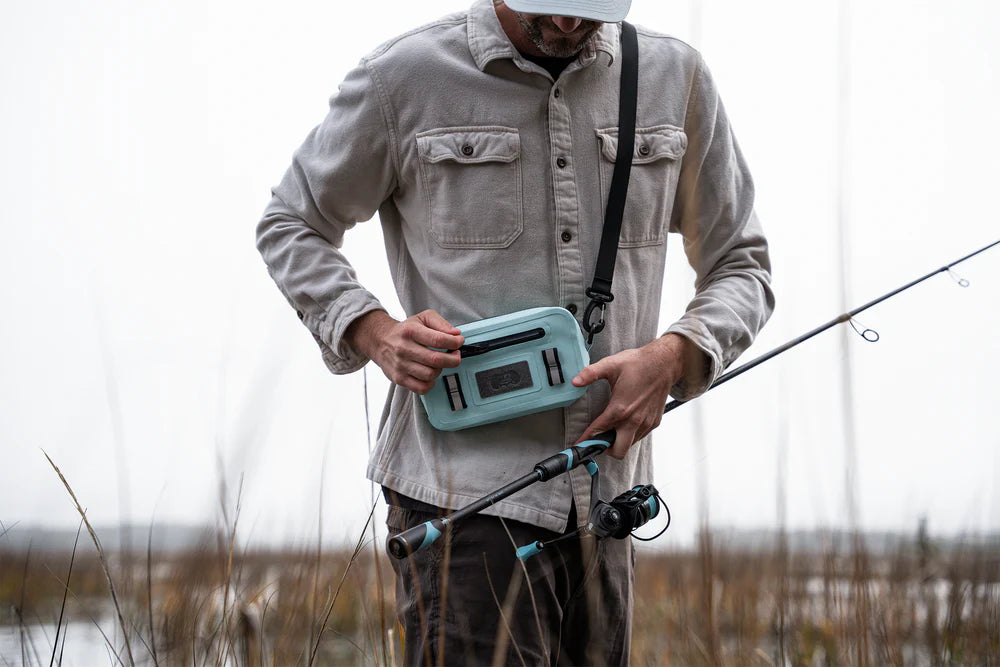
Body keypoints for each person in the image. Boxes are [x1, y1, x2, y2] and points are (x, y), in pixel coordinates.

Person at [255, 0, 774, 663]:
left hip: (607, 505)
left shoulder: (678, 79)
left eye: (588, 9)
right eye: (548, 6)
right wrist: (373, 329)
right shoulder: (402, 76)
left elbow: (743, 266)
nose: (565, 25)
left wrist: (673, 357)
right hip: (461, 507)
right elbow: (290, 223)